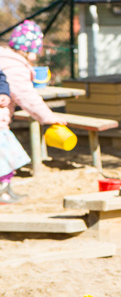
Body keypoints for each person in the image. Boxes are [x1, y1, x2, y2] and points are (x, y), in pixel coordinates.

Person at [0, 20, 66, 204]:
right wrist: (49, 118)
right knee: (6, 156)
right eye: (37, 49)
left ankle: (5, 191)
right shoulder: (14, 66)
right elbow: (27, 97)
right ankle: (2, 193)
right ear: (28, 49)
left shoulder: (4, 59)